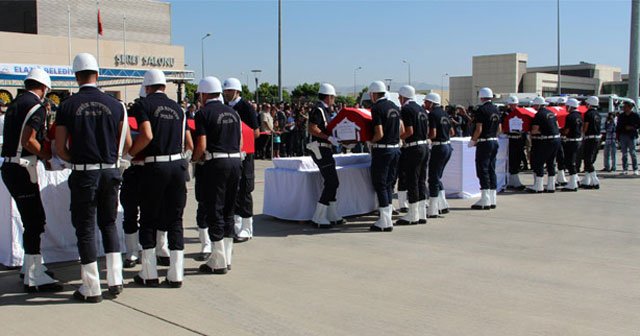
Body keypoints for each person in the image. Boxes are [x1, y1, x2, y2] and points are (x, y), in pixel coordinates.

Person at [55, 53, 131, 303]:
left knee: (85, 228)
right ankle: (116, 279)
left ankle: (91, 286)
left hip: (84, 171)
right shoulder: (116, 105)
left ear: (76, 76)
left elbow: (60, 146)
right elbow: (126, 143)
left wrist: (72, 161)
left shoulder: (67, 105)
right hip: (110, 170)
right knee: (108, 224)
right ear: (97, 75)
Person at [128, 69, 192, 288]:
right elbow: (186, 143)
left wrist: (129, 155)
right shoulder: (179, 109)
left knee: (148, 218)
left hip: (155, 166)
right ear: (165, 86)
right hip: (177, 166)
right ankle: (176, 274)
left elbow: (146, 135)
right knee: (175, 219)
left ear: (147, 87)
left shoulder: (142, 104)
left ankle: (149, 273)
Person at [1, 69, 63, 293]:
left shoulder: (16, 103)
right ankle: (34, 275)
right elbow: (28, 140)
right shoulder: (36, 106)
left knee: (31, 219)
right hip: (22, 167)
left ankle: (30, 266)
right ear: (44, 87)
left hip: (11, 166)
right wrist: (48, 157)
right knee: (35, 220)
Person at [192, 76, 242, 275]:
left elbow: (202, 145)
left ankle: (217, 259)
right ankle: (227, 257)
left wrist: (194, 159)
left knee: (215, 208)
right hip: (236, 161)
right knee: (229, 209)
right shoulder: (233, 113)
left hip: (216, 162)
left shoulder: (202, 113)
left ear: (204, 94)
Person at [223, 78, 260, 243]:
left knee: (244, 188)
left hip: (245, 153)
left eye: (229, 91)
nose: (226, 93)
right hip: (231, 153)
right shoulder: (225, 107)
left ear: (237, 91)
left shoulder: (246, 107)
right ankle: (236, 224)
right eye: (225, 91)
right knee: (233, 189)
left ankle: (247, 227)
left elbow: (256, 132)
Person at [368, 81, 402, 232]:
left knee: (380, 183)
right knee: (388, 184)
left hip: (382, 150)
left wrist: (370, 141)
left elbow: (379, 133)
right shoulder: (394, 106)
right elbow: (401, 129)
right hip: (395, 149)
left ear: (373, 94)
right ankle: (387, 217)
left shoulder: (376, 108)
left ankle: (384, 220)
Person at [307, 83, 342, 228]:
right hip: (320, 147)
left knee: (332, 181)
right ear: (328, 97)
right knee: (332, 181)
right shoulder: (318, 110)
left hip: (325, 147)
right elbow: (312, 128)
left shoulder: (324, 110)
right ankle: (318, 216)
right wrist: (328, 138)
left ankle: (331, 213)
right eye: (333, 97)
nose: (334, 100)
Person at [120, 86, 146, 269]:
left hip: (133, 168)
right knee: (138, 213)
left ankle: (133, 252)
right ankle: (138, 251)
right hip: (140, 169)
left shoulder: (130, 118)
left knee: (132, 213)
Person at [395, 85, 429, 225]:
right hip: (424, 146)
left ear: (403, 97)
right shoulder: (422, 109)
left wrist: (399, 138)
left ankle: (412, 214)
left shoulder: (407, 109)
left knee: (412, 180)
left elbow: (409, 131)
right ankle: (422, 213)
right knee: (421, 180)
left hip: (413, 147)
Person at [423, 93, 454, 219]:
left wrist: (424, 137)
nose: (425, 104)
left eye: (426, 102)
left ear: (431, 103)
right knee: (437, 176)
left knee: (433, 178)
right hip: (447, 146)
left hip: (439, 147)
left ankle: (433, 209)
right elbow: (452, 132)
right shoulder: (445, 114)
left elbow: (433, 133)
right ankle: (443, 204)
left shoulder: (433, 114)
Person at [469, 87, 500, 210]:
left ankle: (485, 198)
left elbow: (479, 129)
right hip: (494, 141)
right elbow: (499, 128)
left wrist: (473, 140)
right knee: (492, 169)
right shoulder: (496, 109)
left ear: (481, 97)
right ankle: (492, 198)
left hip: (484, 142)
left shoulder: (481, 110)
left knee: (483, 169)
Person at [526, 97, 561, 193]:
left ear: (538, 105)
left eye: (534, 105)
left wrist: (529, 130)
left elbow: (535, 130)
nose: (533, 106)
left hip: (545, 141)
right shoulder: (551, 113)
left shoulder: (539, 115)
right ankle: (551, 185)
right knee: (551, 163)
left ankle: (538, 186)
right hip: (556, 140)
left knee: (539, 162)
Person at [503, 96, 526, 190]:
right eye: (511, 105)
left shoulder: (522, 112)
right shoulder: (506, 114)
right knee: (511, 159)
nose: (513, 106)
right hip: (511, 139)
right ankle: (513, 180)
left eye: (515, 104)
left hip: (519, 139)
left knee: (517, 159)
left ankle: (513, 180)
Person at [561, 98, 584, 192]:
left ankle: (573, 183)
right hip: (579, 140)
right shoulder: (580, 116)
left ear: (570, 106)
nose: (566, 108)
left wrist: (560, 131)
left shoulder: (570, 117)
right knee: (574, 161)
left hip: (571, 141)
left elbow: (567, 130)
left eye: (567, 106)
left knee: (569, 162)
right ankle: (576, 179)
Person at [580, 96, 602, 189]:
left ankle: (595, 180)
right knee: (590, 159)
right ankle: (587, 180)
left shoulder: (588, 114)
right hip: (597, 138)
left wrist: (581, 133)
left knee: (588, 160)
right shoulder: (597, 114)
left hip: (590, 138)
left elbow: (586, 127)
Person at [616, 101, 639, 175]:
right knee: (624, 153)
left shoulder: (635, 115)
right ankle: (625, 169)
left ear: (630, 107)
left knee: (633, 153)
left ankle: (635, 169)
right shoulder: (621, 116)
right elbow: (618, 126)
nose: (624, 108)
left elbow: (638, 125)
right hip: (623, 135)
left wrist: (632, 127)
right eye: (623, 107)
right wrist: (618, 136)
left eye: (625, 107)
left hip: (632, 136)